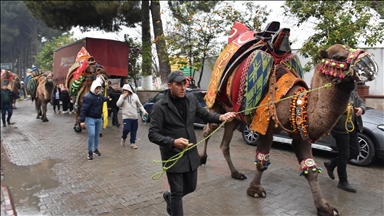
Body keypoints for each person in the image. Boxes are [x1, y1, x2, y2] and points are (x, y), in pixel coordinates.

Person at [148, 71, 236, 215]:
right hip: (173, 155)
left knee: (190, 187)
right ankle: (173, 200)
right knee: (177, 193)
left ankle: (168, 197)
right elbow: (153, 134)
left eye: (184, 84)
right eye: (178, 84)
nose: (183, 88)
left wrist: (221, 117)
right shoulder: (160, 106)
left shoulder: (191, 99)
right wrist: (173, 142)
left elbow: (205, 115)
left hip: (190, 153)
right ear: (170, 85)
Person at [323, 84, 366, 193]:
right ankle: (343, 181)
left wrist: (361, 109)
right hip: (340, 128)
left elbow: (360, 101)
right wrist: (346, 110)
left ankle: (331, 163)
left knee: (355, 152)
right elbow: (330, 108)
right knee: (344, 154)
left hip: (352, 126)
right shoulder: (336, 88)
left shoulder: (352, 87)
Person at [79, 80, 110, 160]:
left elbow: (102, 99)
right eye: (97, 88)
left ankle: (95, 149)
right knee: (91, 134)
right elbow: (83, 109)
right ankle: (90, 152)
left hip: (99, 118)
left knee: (97, 134)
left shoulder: (99, 96)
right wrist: (82, 121)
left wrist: (108, 98)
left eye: (99, 88)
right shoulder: (87, 97)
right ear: (93, 88)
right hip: (90, 118)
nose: (98, 90)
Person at [116, 84, 147, 149]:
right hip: (126, 117)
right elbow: (118, 104)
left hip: (134, 117)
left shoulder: (135, 96)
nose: (124, 91)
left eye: (126, 90)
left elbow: (139, 105)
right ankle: (123, 137)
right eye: (123, 90)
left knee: (134, 131)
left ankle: (132, 143)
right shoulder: (122, 96)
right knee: (126, 129)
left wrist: (144, 111)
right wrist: (123, 97)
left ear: (129, 90)